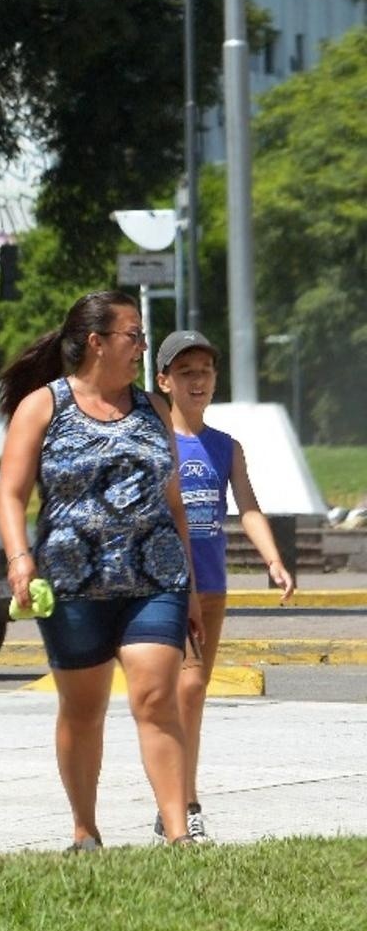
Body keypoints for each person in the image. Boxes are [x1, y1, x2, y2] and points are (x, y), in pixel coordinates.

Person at [0, 290, 202, 851]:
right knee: (83, 709)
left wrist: (193, 590)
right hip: (72, 584)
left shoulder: (153, 409)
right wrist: (20, 560)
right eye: (132, 336)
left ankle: (179, 833)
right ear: (97, 342)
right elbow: (10, 496)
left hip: (155, 578)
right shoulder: (45, 405)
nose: (140, 346)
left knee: (156, 699)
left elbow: (174, 502)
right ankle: (85, 829)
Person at [155, 329, 297, 843]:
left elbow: (249, 507)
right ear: (164, 380)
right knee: (186, 689)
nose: (198, 381)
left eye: (206, 372)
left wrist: (273, 560)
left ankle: (176, 798)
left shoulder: (225, 446)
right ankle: (183, 802)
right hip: (167, 587)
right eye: (186, 372)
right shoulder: (157, 442)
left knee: (190, 696)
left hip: (212, 587)